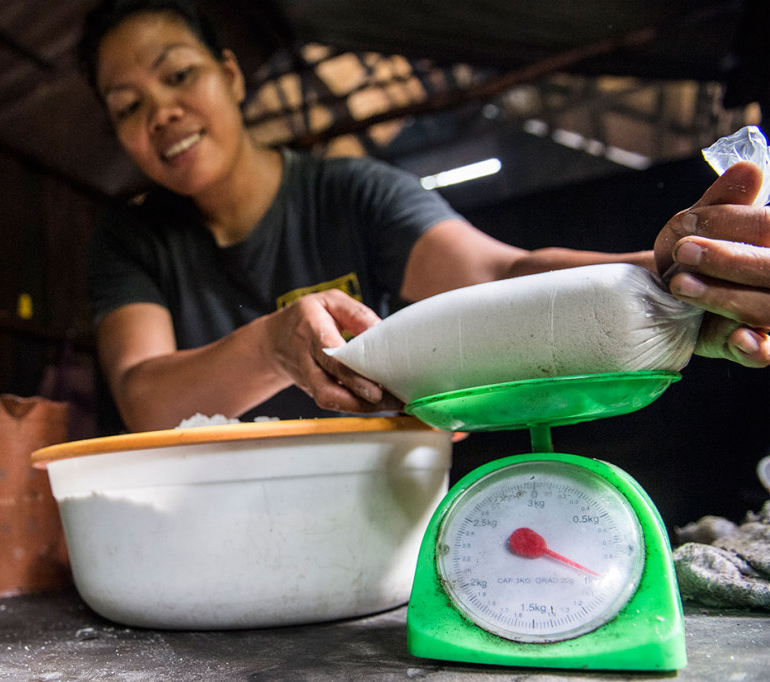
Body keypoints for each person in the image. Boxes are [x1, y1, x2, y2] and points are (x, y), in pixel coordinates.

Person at [79, 0, 770, 433]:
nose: (160, 112)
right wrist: (270, 345)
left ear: (229, 75)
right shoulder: (134, 239)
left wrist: (673, 275)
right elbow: (146, 400)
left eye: (177, 76)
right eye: (126, 106)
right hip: (209, 527)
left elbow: (501, 270)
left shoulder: (354, 193)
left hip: (371, 501)